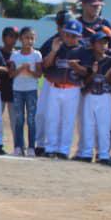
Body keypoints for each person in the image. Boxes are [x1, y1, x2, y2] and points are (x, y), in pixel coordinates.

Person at [41, 19, 89, 159]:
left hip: (72, 89)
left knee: (68, 120)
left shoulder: (83, 50)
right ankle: (50, 148)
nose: (69, 38)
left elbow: (86, 72)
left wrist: (77, 67)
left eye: (74, 36)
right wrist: (54, 51)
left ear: (79, 36)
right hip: (54, 88)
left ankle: (63, 150)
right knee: (52, 118)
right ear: (63, 33)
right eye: (67, 34)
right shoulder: (57, 46)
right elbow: (46, 65)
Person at [75, 32, 111, 164]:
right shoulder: (88, 60)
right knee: (88, 124)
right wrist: (92, 73)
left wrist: (108, 76)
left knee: (104, 126)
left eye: (105, 42)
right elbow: (84, 82)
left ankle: (104, 154)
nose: (103, 45)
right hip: (89, 95)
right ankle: (87, 152)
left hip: (105, 95)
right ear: (93, 45)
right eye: (100, 42)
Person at [8, 27, 41, 156]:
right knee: (19, 119)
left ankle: (32, 147)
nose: (29, 41)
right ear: (21, 39)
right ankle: (18, 146)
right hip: (18, 90)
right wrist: (21, 69)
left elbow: (39, 74)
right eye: (27, 37)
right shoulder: (15, 55)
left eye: (32, 38)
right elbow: (11, 74)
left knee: (31, 119)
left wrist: (30, 71)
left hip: (31, 90)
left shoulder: (36, 55)